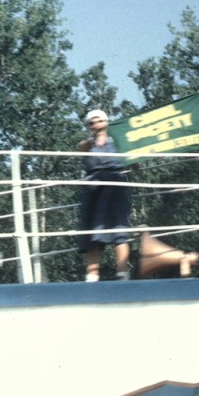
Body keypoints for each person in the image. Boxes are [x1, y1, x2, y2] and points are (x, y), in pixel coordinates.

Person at [77, 109, 132, 281]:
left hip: (115, 186)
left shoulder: (119, 142)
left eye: (98, 121)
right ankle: (92, 274)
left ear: (107, 122)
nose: (95, 125)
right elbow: (82, 149)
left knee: (119, 229)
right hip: (94, 189)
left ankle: (122, 271)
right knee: (92, 230)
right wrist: (91, 141)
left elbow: (133, 158)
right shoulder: (86, 144)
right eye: (91, 123)